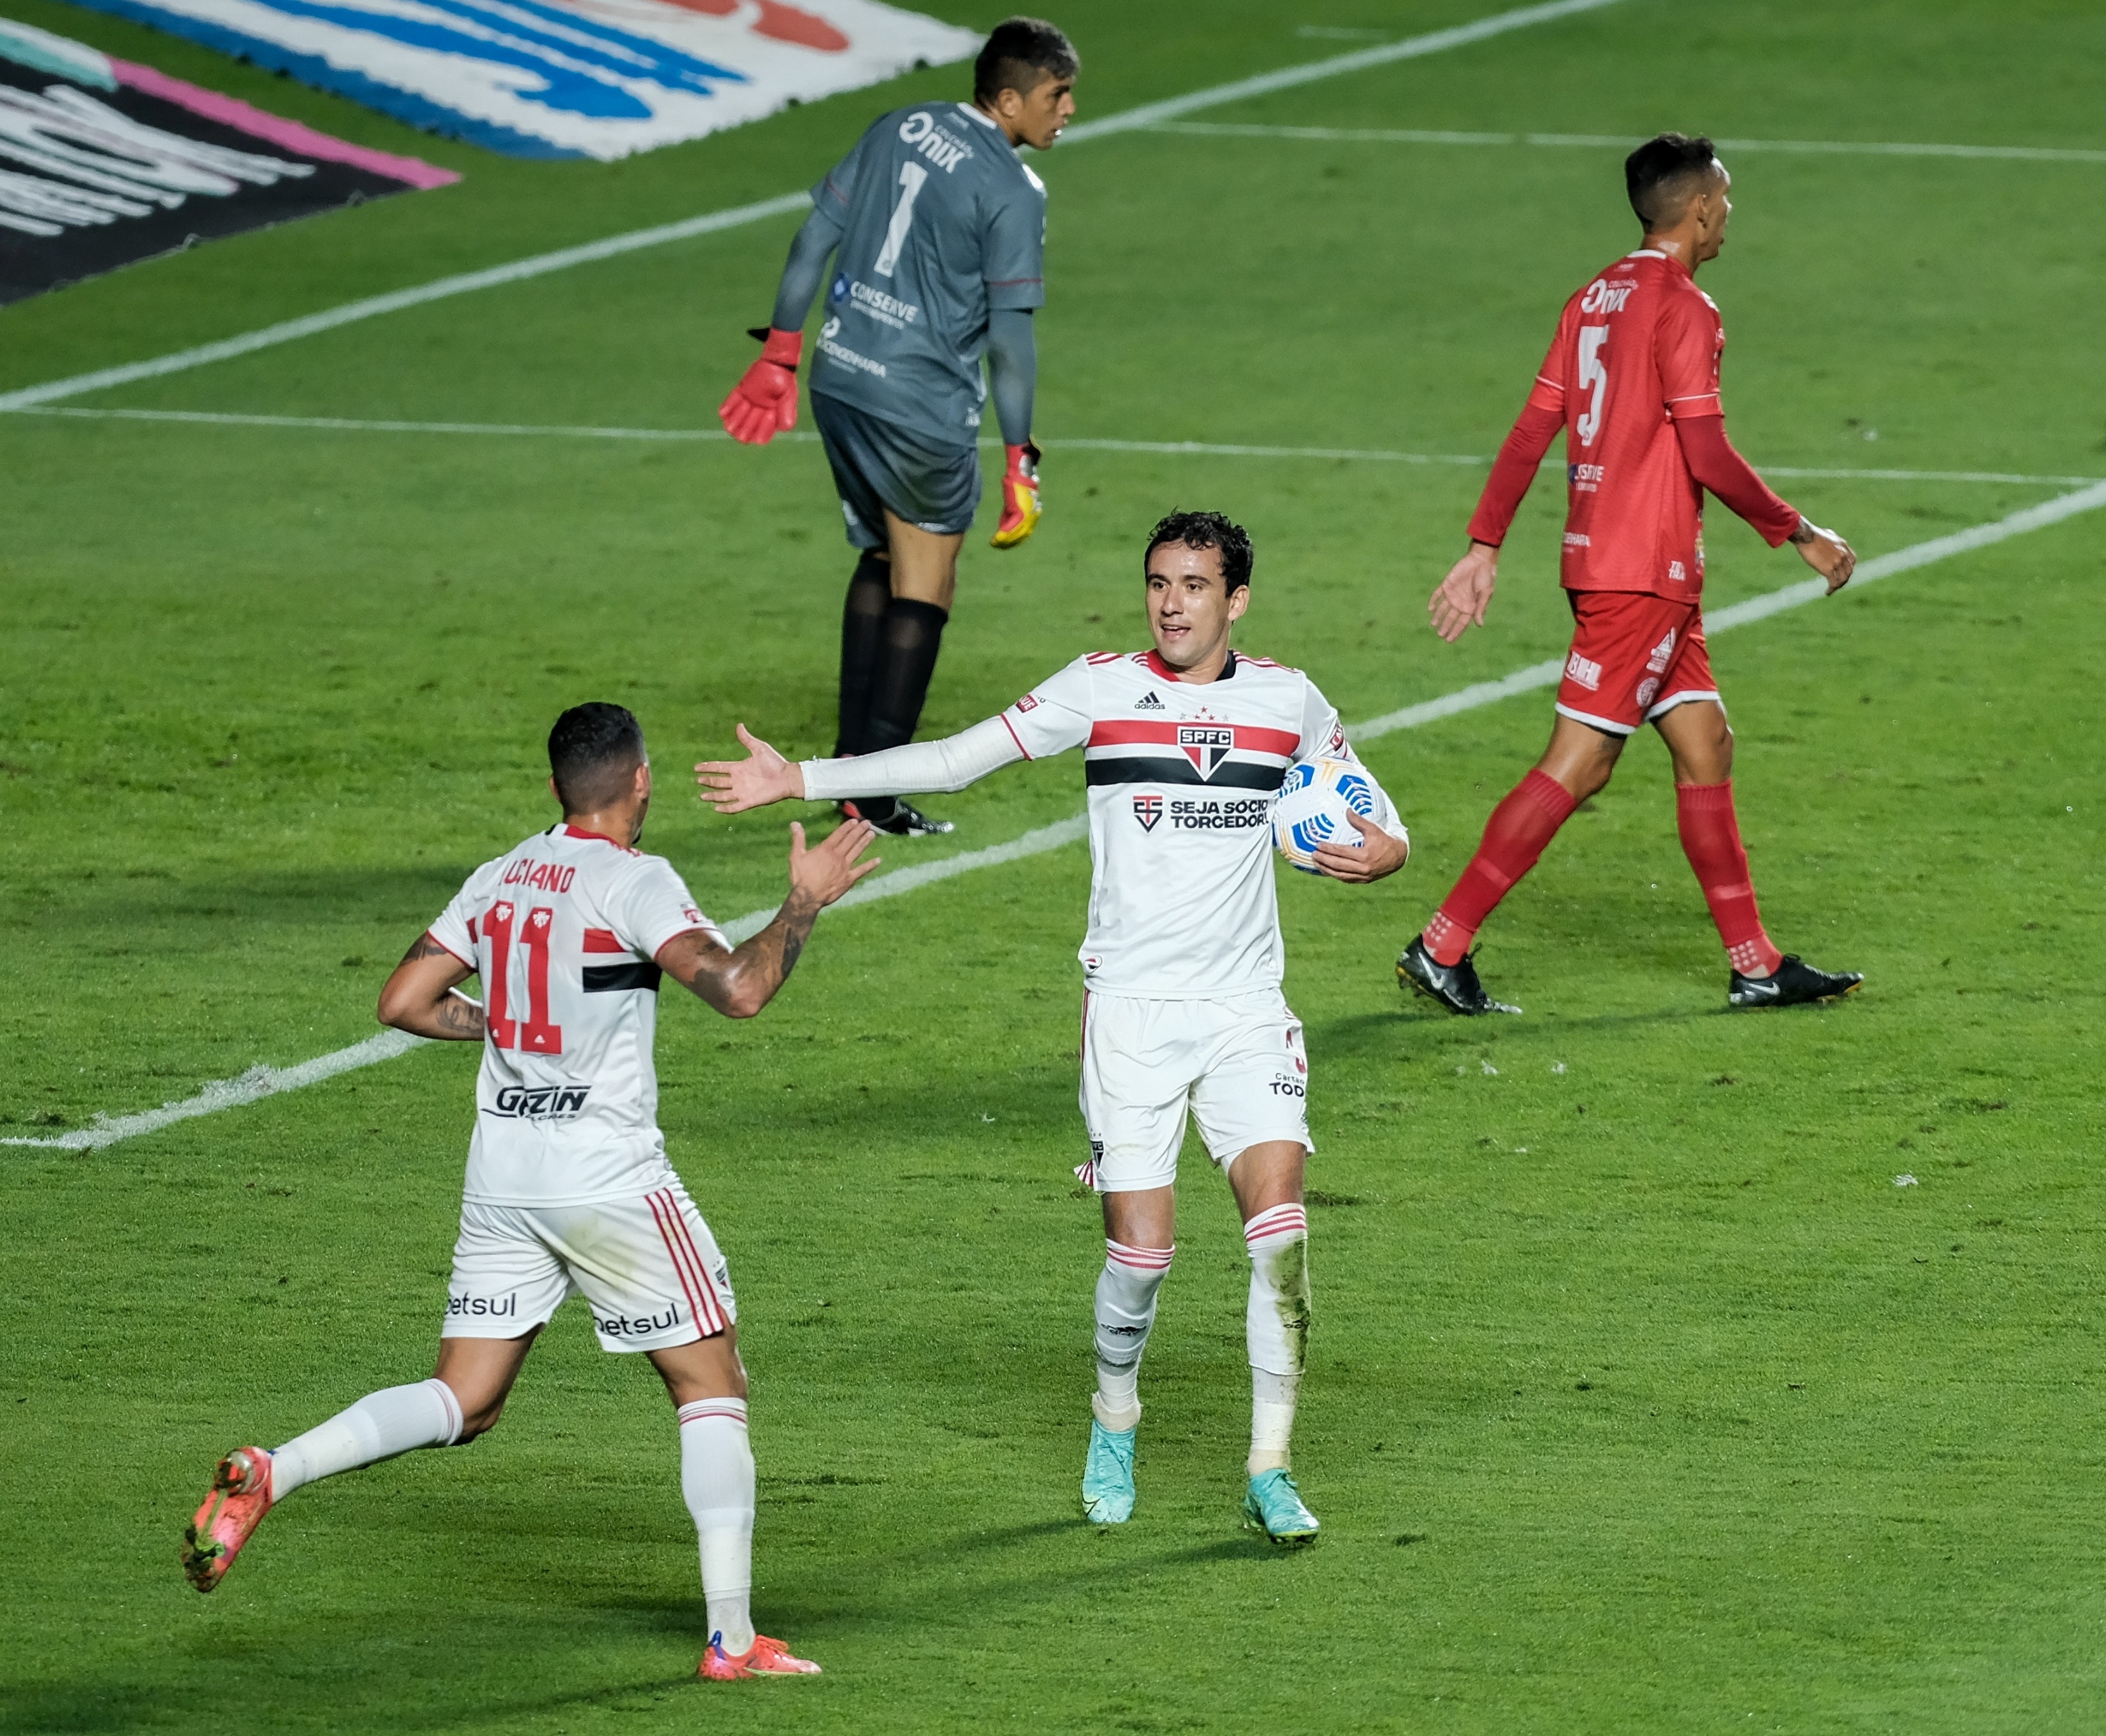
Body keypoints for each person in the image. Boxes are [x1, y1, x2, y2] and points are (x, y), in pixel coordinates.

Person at [696, 511, 1409, 1545]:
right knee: (1142, 1261)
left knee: (1282, 1242)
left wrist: (1385, 857)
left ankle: (1271, 1465)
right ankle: (1114, 1416)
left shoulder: (1289, 701)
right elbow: (949, 762)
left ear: (1236, 600)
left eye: (1196, 585)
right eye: (1160, 582)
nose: (1172, 602)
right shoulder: (1101, 687)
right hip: (1127, 1015)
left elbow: (1379, 819)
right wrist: (799, 777)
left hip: (1246, 1012)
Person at [180, 704, 879, 1683]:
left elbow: (403, 1002)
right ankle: (731, 1640)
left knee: (465, 1399)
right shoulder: (637, 882)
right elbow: (739, 990)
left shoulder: (499, 875)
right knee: (711, 1383)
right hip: (607, 1180)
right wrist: (802, 904)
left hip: (504, 1176)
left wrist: (508, 1030)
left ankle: (276, 1470)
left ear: (556, 790)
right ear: (641, 782)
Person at [1398, 133, 1865, 1016]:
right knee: (1580, 764)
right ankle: (1441, 944)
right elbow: (1708, 450)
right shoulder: (1686, 307)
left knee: (1705, 742)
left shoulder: (1593, 298)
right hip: (1642, 571)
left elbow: (1533, 428)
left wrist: (1485, 544)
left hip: (1608, 561)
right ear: (1695, 209)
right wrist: (1797, 531)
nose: (1728, 213)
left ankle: (1756, 963)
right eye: (1723, 199)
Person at [717, 17, 1078, 839]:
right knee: (929, 582)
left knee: (883, 554)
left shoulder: (900, 126)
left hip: (840, 379)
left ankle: (852, 771)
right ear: (1013, 96)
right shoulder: (1014, 190)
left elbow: (816, 237)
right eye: (1058, 96)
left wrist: (779, 351)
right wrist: (1022, 454)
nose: (1067, 112)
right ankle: (868, 792)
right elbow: (1010, 339)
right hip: (921, 408)